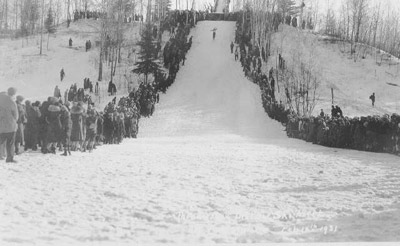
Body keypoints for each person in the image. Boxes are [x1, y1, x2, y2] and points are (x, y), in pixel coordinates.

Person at [0, 88, 19, 163]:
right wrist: (14, 121)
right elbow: (16, 115)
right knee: (10, 143)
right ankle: (9, 158)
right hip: (10, 125)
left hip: (1, 125)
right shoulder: (11, 101)